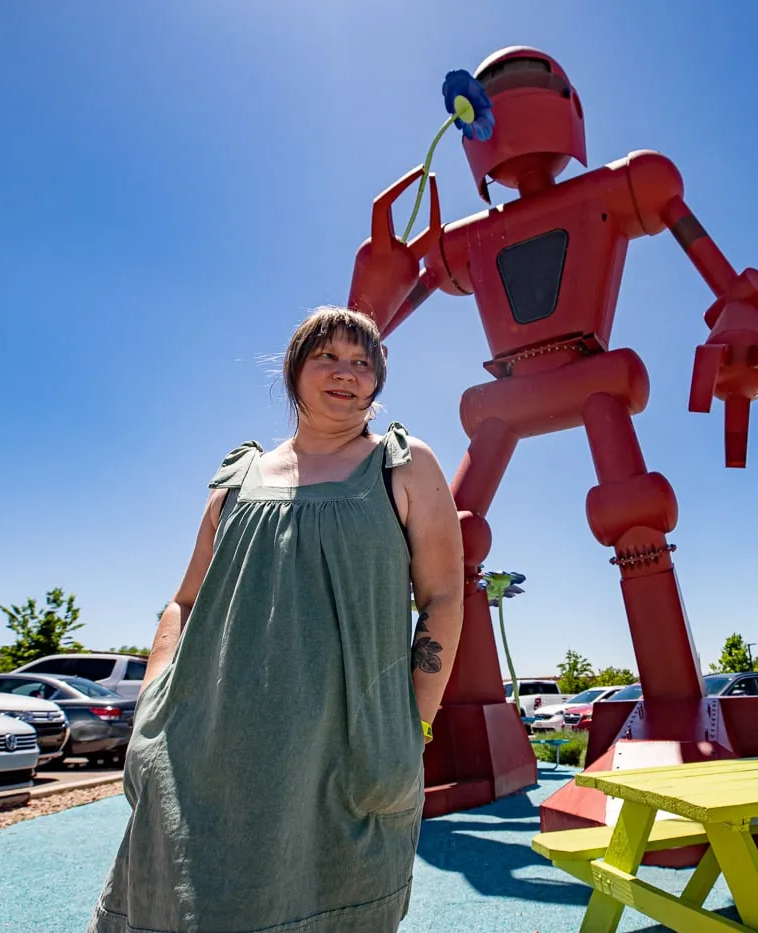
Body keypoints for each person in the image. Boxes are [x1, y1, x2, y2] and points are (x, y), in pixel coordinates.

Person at [90, 306, 465, 933]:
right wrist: (151, 701)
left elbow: (444, 598)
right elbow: (182, 602)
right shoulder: (235, 481)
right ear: (294, 371)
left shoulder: (402, 465)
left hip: (345, 750)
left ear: (377, 383)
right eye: (328, 358)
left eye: (362, 363)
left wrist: (414, 725)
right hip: (205, 750)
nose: (346, 373)